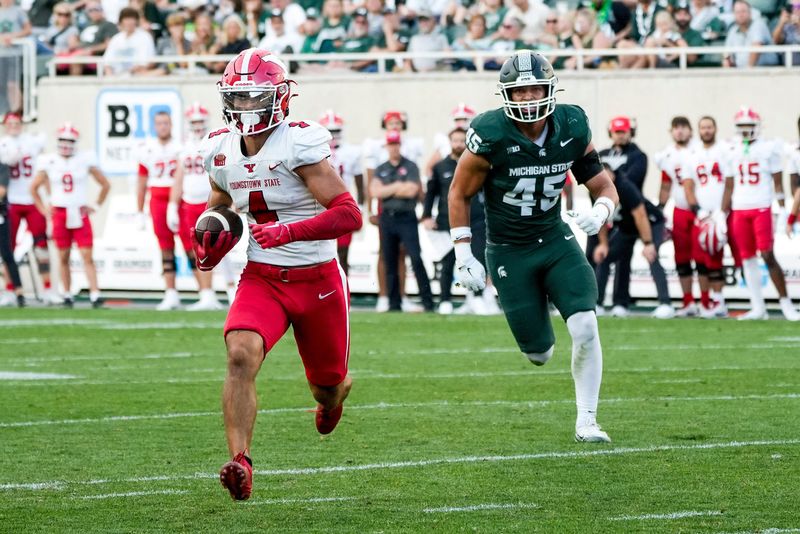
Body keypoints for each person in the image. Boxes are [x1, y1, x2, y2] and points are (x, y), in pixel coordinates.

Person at [193, 48, 362, 501]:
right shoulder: (219, 149)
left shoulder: (299, 143)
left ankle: (332, 401)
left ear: (279, 97)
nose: (246, 108)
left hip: (318, 279)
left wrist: (289, 230)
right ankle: (240, 460)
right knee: (239, 353)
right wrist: (209, 240)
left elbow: (349, 215)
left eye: (255, 98)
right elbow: (220, 204)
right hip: (262, 276)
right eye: (239, 98)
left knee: (328, 387)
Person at [448, 50, 618, 442]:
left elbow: (602, 184)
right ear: (506, 93)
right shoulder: (489, 133)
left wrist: (602, 209)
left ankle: (587, 421)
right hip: (508, 249)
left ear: (549, 88)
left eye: (533, 89)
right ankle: (535, 303)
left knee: (586, 326)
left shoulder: (571, 123)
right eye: (519, 90)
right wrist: (463, 251)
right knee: (539, 354)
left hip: (554, 239)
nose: (526, 98)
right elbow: (459, 193)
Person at [724, 107, 799, 320]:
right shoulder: (731, 149)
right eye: (742, 126)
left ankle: (786, 304)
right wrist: (723, 213)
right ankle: (758, 307)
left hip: (762, 207)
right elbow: (729, 185)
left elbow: (778, 183)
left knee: (767, 254)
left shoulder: (769, 148)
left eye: (749, 126)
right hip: (739, 208)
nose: (746, 131)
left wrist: (783, 208)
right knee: (747, 258)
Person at [30, 124, 110, 308]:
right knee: (63, 255)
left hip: (79, 211)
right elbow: (33, 188)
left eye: (69, 141)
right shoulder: (49, 161)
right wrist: (43, 209)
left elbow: (105, 184)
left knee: (86, 254)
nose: (66, 144)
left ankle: (95, 293)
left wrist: (96, 206)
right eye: (62, 140)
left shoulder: (84, 159)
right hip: (60, 211)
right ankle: (67, 293)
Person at [423, 127, 497, 315]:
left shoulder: (476, 163)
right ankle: (445, 300)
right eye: (455, 140)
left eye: (461, 140)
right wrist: (426, 216)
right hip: (447, 221)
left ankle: (477, 298)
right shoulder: (440, 167)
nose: (458, 144)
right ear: (449, 142)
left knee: (479, 257)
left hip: (477, 219)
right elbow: (431, 194)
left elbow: (487, 191)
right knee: (448, 261)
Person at [363, 110, 424, 312]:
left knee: (402, 253)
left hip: (404, 207)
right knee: (384, 252)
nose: (395, 126)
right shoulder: (377, 148)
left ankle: (401, 295)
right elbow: (371, 181)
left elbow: (415, 183)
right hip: (384, 207)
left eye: (398, 123)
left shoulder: (409, 147)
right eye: (391, 123)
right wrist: (371, 207)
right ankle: (383, 295)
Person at [594, 164, 673, 319]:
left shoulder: (624, 186)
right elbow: (599, 217)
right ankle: (598, 304)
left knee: (652, 256)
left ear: (612, 173)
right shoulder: (596, 189)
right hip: (627, 227)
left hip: (650, 223)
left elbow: (640, 214)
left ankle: (666, 304)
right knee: (605, 257)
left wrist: (648, 243)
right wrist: (603, 244)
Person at [167, 103, 224, 311]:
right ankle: (205, 293)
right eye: (194, 122)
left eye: (200, 121)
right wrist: (172, 204)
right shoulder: (183, 147)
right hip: (189, 203)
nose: (198, 126)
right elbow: (179, 178)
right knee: (195, 249)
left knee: (214, 247)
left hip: (211, 200)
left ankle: (224, 291)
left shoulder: (215, 142)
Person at [0, 112, 55, 303]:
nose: (14, 126)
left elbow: (43, 171)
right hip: (11, 201)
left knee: (41, 245)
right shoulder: (3, 144)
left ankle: (47, 289)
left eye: (17, 122)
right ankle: (9, 289)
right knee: (8, 249)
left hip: (32, 200)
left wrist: (49, 196)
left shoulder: (33, 141)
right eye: (10, 123)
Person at [595, 115, 647, 314]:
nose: (620, 135)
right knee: (595, 255)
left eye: (623, 131)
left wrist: (610, 177)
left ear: (630, 133)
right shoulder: (602, 153)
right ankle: (595, 300)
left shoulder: (638, 155)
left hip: (627, 215)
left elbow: (632, 179)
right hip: (603, 211)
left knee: (623, 259)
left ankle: (620, 302)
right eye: (617, 132)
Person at [682, 116, 732, 317]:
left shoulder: (725, 151)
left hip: (721, 214)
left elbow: (729, 183)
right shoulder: (692, 154)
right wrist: (698, 210)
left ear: (716, 128)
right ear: (699, 130)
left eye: (710, 127)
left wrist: (722, 210)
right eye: (703, 127)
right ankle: (706, 302)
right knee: (700, 259)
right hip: (701, 215)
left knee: (716, 258)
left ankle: (719, 301)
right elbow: (688, 186)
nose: (707, 130)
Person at [136, 110, 183, 310]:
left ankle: (204, 291)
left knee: (190, 244)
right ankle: (170, 292)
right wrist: (139, 210)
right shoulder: (147, 149)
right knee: (165, 246)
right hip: (157, 199)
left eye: (166, 123)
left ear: (171, 124)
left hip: (180, 197)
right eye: (159, 123)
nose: (163, 127)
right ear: (154, 126)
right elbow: (141, 181)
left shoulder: (180, 147)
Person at [655, 116, 698, 316]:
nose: (679, 131)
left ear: (690, 130)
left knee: (704, 256)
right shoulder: (667, 155)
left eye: (683, 127)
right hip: (680, 209)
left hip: (701, 209)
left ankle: (710, 301)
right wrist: (660, 209)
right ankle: (688, 300)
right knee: (681, 257)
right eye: (676, 128)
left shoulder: (699, 150)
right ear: (671, 131)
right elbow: (666, 185)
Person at [319, 110, 363, 276]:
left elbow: (360, 183)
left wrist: (362, 208)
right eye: (329, 131)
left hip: (343, 205)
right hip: (320, 207)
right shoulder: (313, 151)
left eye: (336, 131)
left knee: (343, 253)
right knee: (321, 254)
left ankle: (344, 288)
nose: (332, 135)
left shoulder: (351, 152)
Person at [723, 0, 780, 67]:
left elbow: (756, 48)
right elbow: (726, 54)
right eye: (737, 12)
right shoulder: (733, 30)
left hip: (765, 70)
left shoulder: (758, 24)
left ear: (750, 13)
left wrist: (748, 72)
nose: (740, 15)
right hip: (742, 73)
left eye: (743, 11)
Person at [102, 7, 156, 76]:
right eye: (126, 19)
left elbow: (148, 62)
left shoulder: (145, 37)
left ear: (136, 21)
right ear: (121, 21)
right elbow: (107, 62)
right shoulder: (116, 38)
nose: (129, 22)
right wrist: (110, 78)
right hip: (116, 78)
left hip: (138, 77)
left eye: (132, 19)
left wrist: (129, 73)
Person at [0, 160, 24, 307]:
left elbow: (2, 191)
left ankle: (19, 292)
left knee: (7, 255)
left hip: (1, 216)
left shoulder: (2, 167)